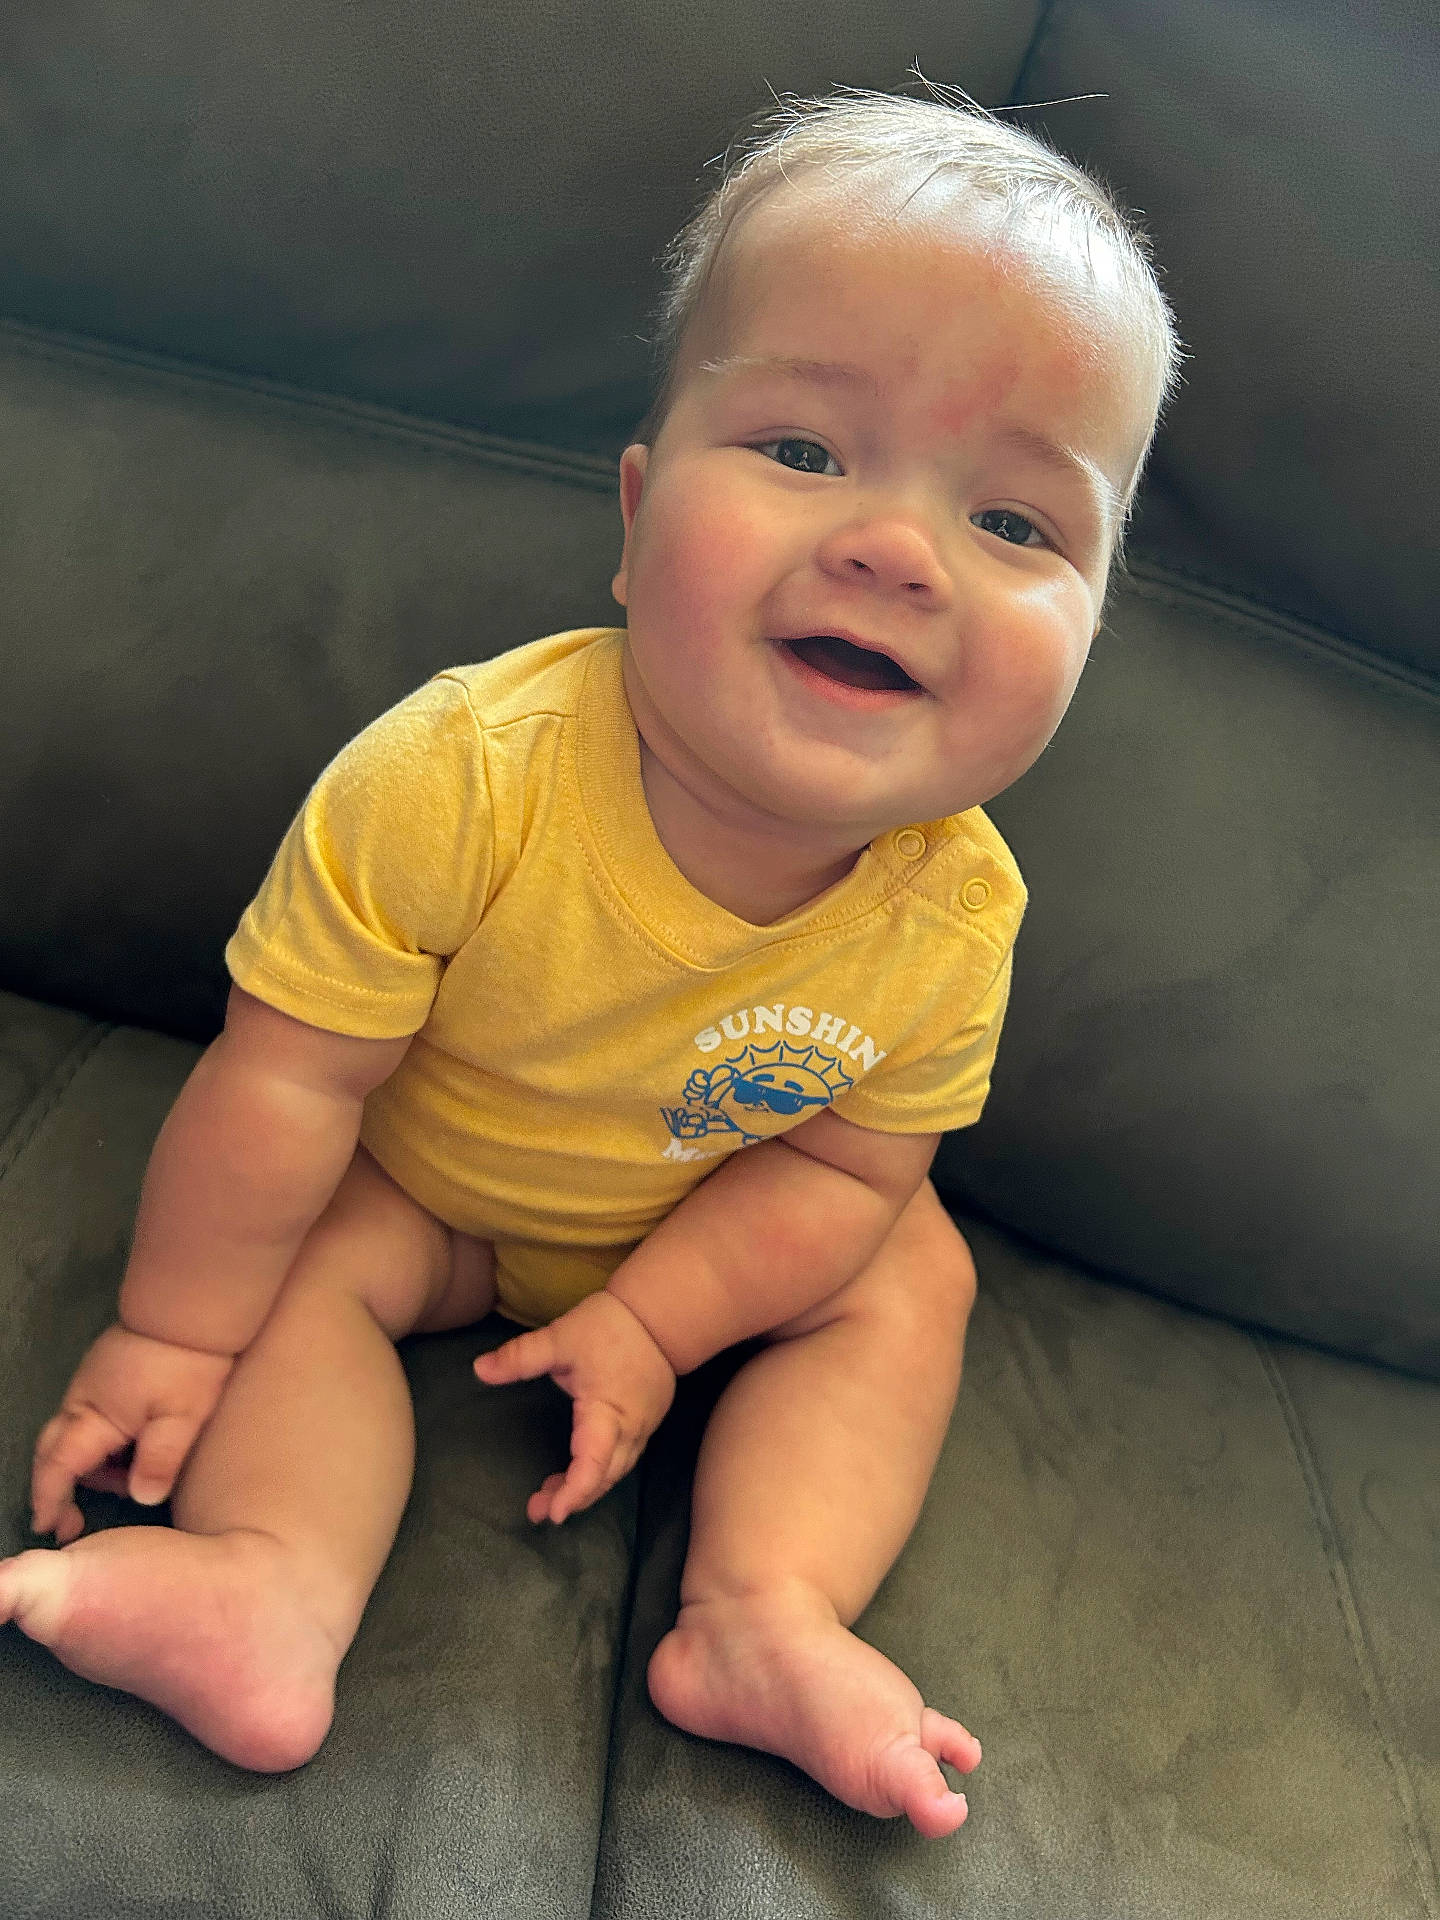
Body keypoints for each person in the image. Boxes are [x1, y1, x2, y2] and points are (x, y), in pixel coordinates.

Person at [0, 85, 1179, 1839]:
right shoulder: (463, 775)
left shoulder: (959, 912)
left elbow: (851, 1169)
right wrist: (169, 1335)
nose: (895, 547)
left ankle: (764, 1614)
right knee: (309, 1263)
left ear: (1091, 631)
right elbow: (288, 1071)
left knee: (908, 1274)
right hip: (437, 1187)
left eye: (1019, 526)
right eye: (803, 451)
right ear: (632, 525)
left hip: (711, 1213)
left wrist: (654, 1316)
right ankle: (268, 1585)